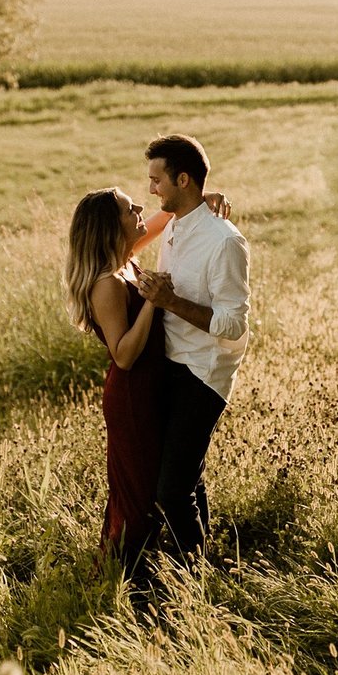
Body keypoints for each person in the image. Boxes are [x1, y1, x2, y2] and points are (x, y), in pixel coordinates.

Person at [65, 184, 231, 578]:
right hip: (133, 397)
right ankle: (132, 577)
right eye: (129, 208)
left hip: (155, 388)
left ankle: (182, 563)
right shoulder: (107, 282)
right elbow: (123, 355)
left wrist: (202, 203)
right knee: (141, 496)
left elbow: (166, 217)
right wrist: (154, 303)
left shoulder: (125, 260)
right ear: (111, 227)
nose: (140, 207)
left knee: (169, 481)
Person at [136, 134, 250, 563]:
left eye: (156, 181)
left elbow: (233, 322)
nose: (151, 190)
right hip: (170, 362)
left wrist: (169, 303)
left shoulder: (224, 241)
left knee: (171, 491)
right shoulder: (175, 225)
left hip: (204, 372)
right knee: (186, 479)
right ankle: (202, 559)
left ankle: (190, 580)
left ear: (182, 179)